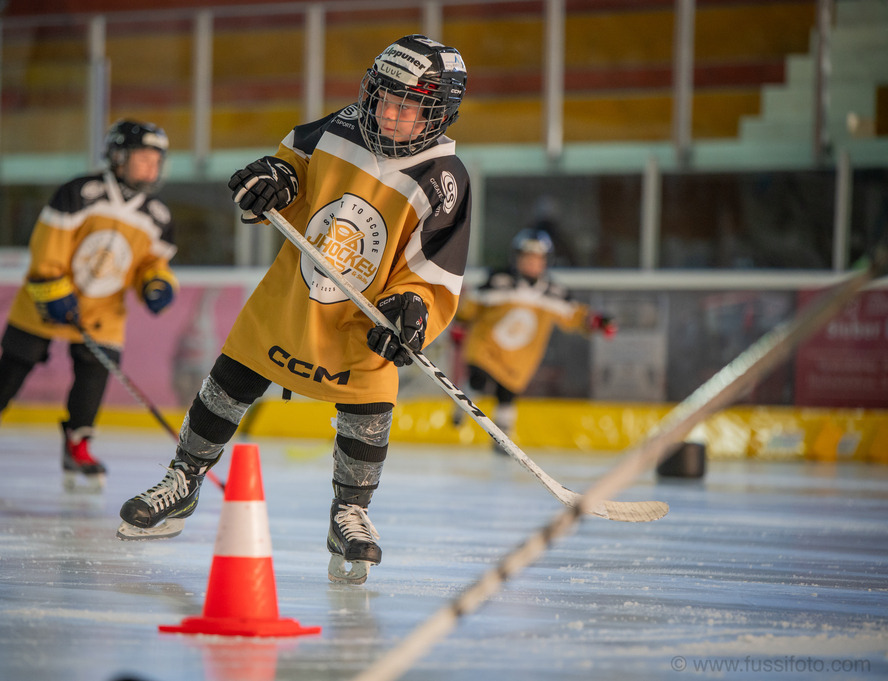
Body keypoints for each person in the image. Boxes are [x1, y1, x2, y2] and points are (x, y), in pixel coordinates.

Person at [116, 35, 470, 585]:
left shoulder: (444, 179)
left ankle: (350, 513)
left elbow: (434, 268)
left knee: (368, 410)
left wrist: (411, 309)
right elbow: (291, 169)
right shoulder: (341, 125)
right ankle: (183, 480)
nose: (389, 113)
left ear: (439, 115)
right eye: (383, 97)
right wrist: (272, 181)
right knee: (229, 382)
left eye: (407, 106)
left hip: (361, 319)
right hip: (292, 298)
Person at [0, 120, 178, 491]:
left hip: (102, 311)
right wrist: (52, 289)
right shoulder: (79, 192)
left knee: (93, 374)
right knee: (18, 356)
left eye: (157, 159)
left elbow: (152, 263)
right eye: (143, 157)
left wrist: (157, 283)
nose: (152, 166)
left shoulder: (158, 217)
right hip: (49, 296)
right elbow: (47, 248)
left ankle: (78, 444)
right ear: (118, 157)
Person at [451, 228, 617, 453]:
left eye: (537, 259)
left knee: (507, 393)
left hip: (519, 357)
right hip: (485, 346)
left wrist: (595, 321)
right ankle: (464, 404)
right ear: (516, 258)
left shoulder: (553, 292)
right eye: (526, 258)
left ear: (546, 262)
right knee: (479, 377)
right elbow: (474, 304)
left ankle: (503, 436)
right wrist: (460, 321)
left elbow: (574, 314)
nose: (531, 263)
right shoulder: (499, 280)